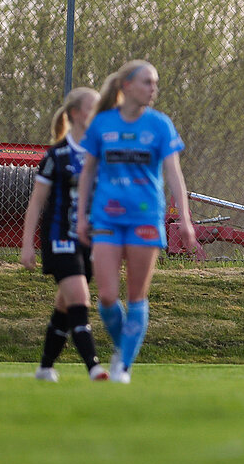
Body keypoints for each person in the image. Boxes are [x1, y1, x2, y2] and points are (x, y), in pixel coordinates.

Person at [76, 60, 203, 383]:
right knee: (106, 295)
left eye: (155, 82)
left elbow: (174, 174)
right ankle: (125, 347)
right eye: (147, 82)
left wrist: (185, 220)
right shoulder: (102, 124)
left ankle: (123, 365)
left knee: (136, 296)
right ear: (127, 86)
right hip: (106, 217)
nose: (153, 88)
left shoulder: (160, 125)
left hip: (144, 218)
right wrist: (81, 217)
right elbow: (88, 171)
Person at [21, 86, 106, 382]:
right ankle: (94, 368)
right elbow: (36, 202)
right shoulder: (57, 155)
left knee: (64, 307)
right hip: (59, 238)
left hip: (88, 242)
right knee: (80, 301)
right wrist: (27, 246)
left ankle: (45, 367)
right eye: (93, 108)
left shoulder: (101, 155)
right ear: (75, 114)